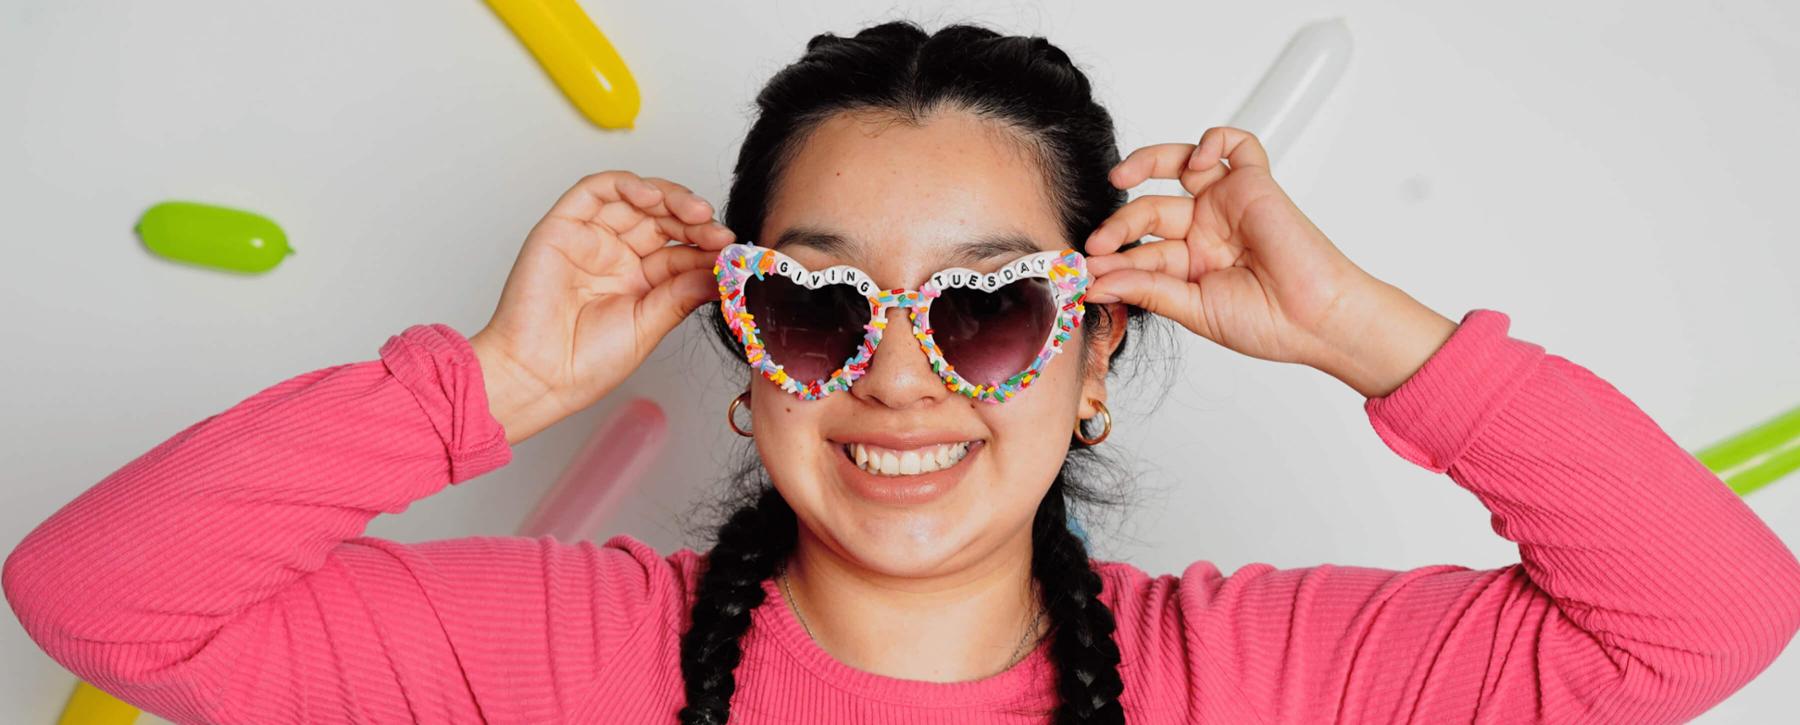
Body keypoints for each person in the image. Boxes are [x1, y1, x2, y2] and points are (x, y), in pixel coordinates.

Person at [7, 20, 1800, 725]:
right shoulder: (561, 660)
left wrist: (1358, 330)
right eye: (814, 306)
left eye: (992, 308)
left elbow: (1701, 619)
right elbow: (98, 600)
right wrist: (477, 384)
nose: (898, 377)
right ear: (745, 348)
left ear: (1092, 350)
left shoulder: (1252, 678)